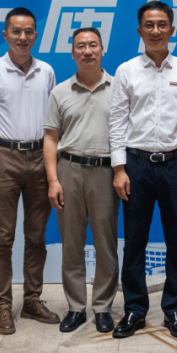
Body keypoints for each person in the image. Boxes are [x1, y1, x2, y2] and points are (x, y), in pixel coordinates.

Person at [109, 0, 177, 340]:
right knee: (134, 241)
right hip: (136, 165)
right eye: (149, 25)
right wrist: (119, 169)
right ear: (139, 30)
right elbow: (117, 121)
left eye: (162, 24)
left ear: (172, 29)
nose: (155, 31)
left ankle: (174, 310)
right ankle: (135, 310)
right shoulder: (126, 71)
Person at [0, 7, 59, 335]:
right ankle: (3, 307)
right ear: (5, 34)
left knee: (36, 236)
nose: (23, 37)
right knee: (3, 237)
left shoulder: (46, 71)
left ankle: (32, 301)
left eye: (28, 32)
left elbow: (52, 122)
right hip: (3, 157)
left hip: (39, 157)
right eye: (16, 31)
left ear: (36, 35)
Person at [43, 27, 118, 334]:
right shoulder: (60, 92)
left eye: (93, 45)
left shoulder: (119, 87)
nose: (87, 51)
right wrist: (53, 180)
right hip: (69, 170)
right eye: (80, 46)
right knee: (72, 243)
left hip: (106, 171)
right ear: (72, 52)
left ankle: (103, 307)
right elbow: (50, 137)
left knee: (105, 243)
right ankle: (75, 307)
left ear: (102, 50)